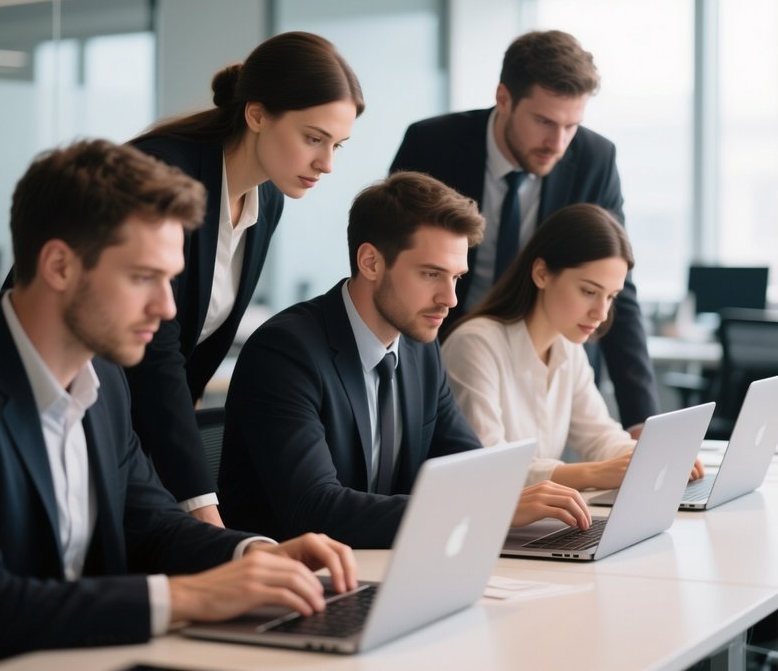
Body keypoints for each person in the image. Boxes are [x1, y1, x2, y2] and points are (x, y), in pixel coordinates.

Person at [0, 140, 357, 664]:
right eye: (143, 278)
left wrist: (253, 555)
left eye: (171, 278)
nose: (167, 308)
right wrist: (191, 597)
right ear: (60, 266)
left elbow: (151, 523)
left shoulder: (103, 381)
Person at [219, 172, 592, 549]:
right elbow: (314, 509)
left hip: (385, 567)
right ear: (371, 262)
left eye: (456, 277)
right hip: (296, 584)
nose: (450, 299)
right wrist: (488, 509)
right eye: (431, 274)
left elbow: (470, 468)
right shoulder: (285, 352)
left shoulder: (418, 348)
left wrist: (510, 499)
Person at [127, 31, 365, 527]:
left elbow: (192, 352)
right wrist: (202, 509)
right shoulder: (160, 174)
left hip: (140, 438)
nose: (327, 163)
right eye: (313, 138)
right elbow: (157, 354)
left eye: (337, 144)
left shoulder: (267, 197)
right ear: (256, 115)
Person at [390, 30, 657, 437]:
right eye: (544, 121)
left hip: (544, 355)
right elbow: (393, 260)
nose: (558, 142)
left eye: (572, 125)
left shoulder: (594, 159)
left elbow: (615, 280)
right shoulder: (433, 145)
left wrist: (643, 420)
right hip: (445, 352)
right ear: (504, 98)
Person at [442, 205, 704, 490]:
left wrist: (654, 458)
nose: (601, 313)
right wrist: (594, 474)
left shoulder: (567, 346)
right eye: (589, 292)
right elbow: (488, 465)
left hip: (540, 522)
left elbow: (599, 436)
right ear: (541, 273)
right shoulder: (475, 345)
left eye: (611, 297)